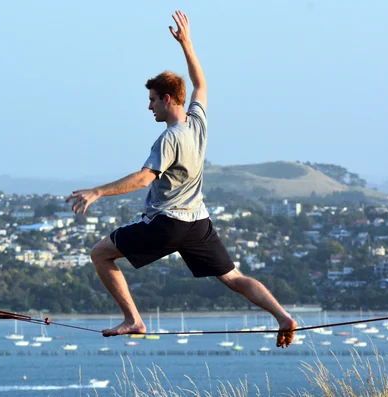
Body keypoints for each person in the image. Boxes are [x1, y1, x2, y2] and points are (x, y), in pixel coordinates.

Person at [66, 10, 297, 348]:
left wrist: (98, 191)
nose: (149, 108)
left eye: (152, 101)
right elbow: (201, 84)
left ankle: (133, 320)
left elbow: (144, 178)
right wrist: (187, 44)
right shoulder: (198, 123)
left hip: (168, 223)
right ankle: (283, 316)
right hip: (198, 223)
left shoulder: (170, 138)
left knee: (100, 254)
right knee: (233, 277)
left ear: (167, 99)